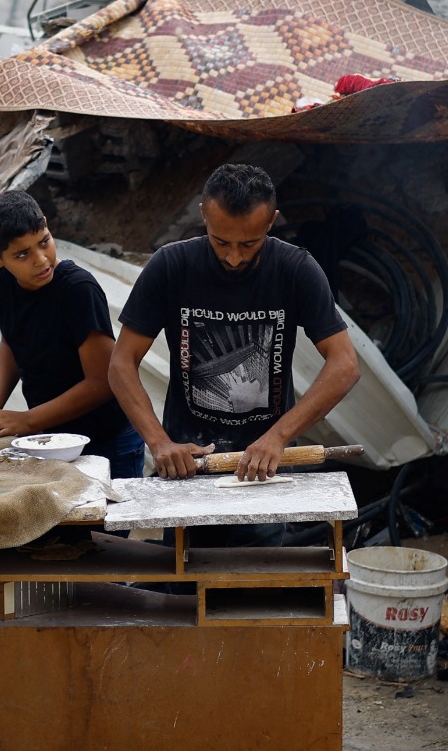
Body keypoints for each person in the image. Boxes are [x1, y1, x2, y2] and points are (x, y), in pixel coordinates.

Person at [109, 163, 361, 501]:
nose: (233, 257)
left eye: (250, 243)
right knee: (186, 554)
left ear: (271, 222)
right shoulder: (171, 267)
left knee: (261, 553)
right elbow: (121, 363)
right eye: (221, 241)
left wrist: (279, 436)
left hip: (267, 465)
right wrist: (159, 442)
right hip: (188, 461)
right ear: (204, 216)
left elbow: (345, 365)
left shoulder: (296, 270)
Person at [0, 191, 145, 478]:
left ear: (47, 226)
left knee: (106, 519)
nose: (41, 260)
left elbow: (103, 382)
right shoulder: (0, 281)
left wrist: (29, 420)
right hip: (51, 440)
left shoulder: (78, 290)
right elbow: (12, 338)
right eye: (22, 254)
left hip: (107, 440)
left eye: (44, 241)